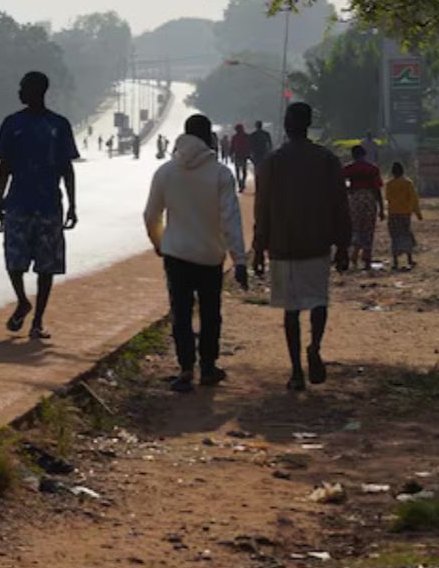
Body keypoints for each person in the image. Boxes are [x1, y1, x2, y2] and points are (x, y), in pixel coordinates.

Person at [144, 114, 248, 392]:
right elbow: (230, 219)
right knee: (211, 313)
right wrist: (239, 259)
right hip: (210, 255)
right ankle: (209, 367)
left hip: (176, 254)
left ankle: (186, 368)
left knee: (181, 312)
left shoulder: (165, 172)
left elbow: (151, 214)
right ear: (209, 138)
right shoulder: (220, 174)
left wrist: (159, 243)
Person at [253, 102, 351, 390]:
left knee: (291, 310)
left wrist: (259, 247)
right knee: (319, 301)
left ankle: (296, 371)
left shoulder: (272, 162)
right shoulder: (327, 160)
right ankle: (314, 347)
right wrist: (343, 244)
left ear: (287, 125)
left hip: (283, 246)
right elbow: (339, 205)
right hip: (317, 242)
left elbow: (263, 209)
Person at [0, 71, 79, 341]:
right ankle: (22, 301)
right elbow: (4, 166)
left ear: (36, 91)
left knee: (46, 265)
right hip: (18, 202)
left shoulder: (58, 125)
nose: (19, 93)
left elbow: (67, 168)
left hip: (49, 204)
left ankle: (38, 321)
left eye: (22, 88)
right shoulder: (12, 124)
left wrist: (73, 204)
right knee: (14, 260)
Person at [343, 143, 386, 270]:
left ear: (353, 155)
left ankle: (354, 254)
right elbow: (377, 189)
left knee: (355, 227)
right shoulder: (372, 169)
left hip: (355, 199)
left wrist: (349, 191)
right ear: (364, 155)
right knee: (368, 228)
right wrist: (382, 208)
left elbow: (341, 185)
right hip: (369, 198)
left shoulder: (348, 169)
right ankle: (366, 258)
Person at [384, 161, 422, 270]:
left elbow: (388, 198)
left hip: (393, 213)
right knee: (406, 234)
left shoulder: (389, 184)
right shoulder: (408, 183)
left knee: (395, 236)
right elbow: (413, 199)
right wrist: (417, 213)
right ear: (402, 172)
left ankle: (395, 261)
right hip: (405, 213)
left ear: (393, 173)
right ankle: (409, 259)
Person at [230, 122, 251, 189]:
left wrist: (231, 155)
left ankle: (240, 183)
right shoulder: (247, 136)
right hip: (243, 155)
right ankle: (242, 183)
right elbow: (249, 146)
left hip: (238, 155)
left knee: (238, 171)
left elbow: (232, 147)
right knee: (244, 171)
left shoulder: (234, 137)